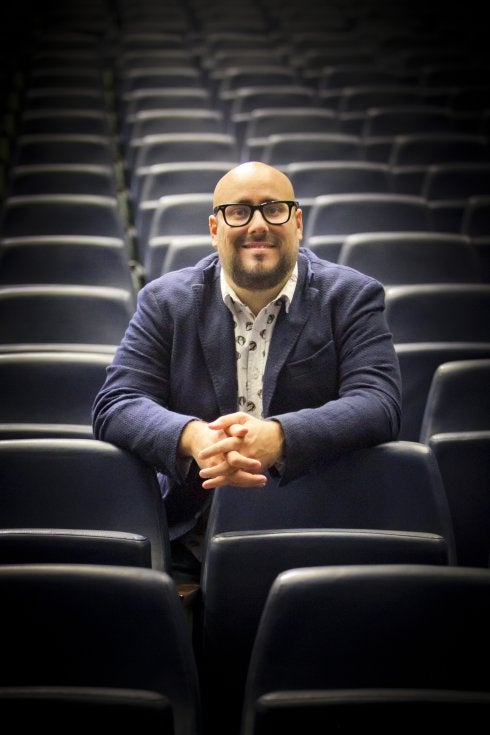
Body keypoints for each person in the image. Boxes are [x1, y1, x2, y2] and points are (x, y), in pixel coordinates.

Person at [92, 161, 402, 578]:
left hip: (316, 526)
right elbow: (117, 403)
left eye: (273, 209)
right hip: (190, 535)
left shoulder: (352, 296)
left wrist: (279, 437)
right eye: (239, 211)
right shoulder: (165, 301)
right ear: (215, 228)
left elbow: (379, 403)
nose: (258, 224)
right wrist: (195, 437)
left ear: (297, 222)